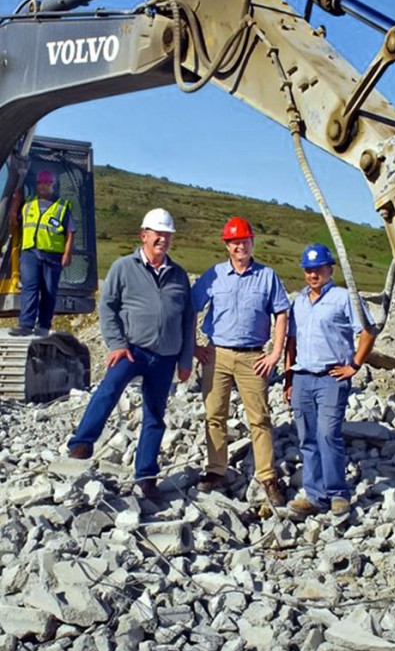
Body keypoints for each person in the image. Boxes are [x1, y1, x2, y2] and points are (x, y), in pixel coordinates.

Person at [66, 208, 194, 500]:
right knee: (108, 390)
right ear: (144, 235)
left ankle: (146, 475)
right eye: (157, 234)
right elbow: (108, 307)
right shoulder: (124, 267)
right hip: (132, 349)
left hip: (165, 357)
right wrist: (117, 343)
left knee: (155, 414)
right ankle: (81, 444)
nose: (163, 239)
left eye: (167, 234)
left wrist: (185, 360)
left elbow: (188, 319)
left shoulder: (179, 275)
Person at [192, 217, 289, 505]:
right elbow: (191, 307)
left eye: (244, 240)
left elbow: (281, 314)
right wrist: (194, 347)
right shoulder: (214, 275)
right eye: (234, 242)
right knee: (214, 415)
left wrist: (275, 353)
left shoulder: (267, 276)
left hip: (253, 357)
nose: (239, 246)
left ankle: (267, 476)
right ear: (227, 245)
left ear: (252, 241)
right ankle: (216, 470)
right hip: (217, 354)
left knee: (259, 418)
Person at [284, 243, 376, 518]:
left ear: (330, 269)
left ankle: (338, 494)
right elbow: (291, 341)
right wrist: (288, 378)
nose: (313, 275)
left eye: (318, 269)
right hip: (302, 377)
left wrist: (354, 365)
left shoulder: (343, 298)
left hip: (331, 378)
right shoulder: (298, 301)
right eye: (308, 270)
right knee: (307, 438)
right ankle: (315, 495)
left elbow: (368, 332)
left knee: (327, 434)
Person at [10, 169, 76, 336]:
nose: (43, 186)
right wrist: (16, 202)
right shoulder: (29, 204)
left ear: (53, 185)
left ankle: (43, 325)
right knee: (29, 288)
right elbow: (14, 220)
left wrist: (67, 253)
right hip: (30, 252)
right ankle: (26, 324)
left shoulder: (62, 207)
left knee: (48, 291)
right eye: (40, 183)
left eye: (47, 183)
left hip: (52, 255)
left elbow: (70, 231)